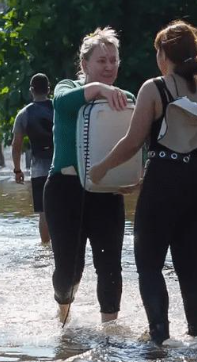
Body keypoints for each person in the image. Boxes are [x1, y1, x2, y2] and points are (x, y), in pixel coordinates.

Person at [90, 20, 197, 345]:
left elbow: (132, 142)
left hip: (165, 182)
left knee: (149, 266)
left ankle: (159, 341)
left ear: (165, 54)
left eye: (157, 52)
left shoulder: (154, 88)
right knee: (191, 266)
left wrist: (101, 168)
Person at [43, 27, 134, 324]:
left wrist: (133, 177)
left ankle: (110, 334)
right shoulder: (65, 87)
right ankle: (63, 313)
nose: (109, 67)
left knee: (110, 266)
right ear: (84, 65)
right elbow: (62, 104)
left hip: (106, 191)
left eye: (113, 61)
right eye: (101, 61)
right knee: (69, 270)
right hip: (64, 190)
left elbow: (136, 144)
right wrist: (99, 90)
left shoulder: (126, 98)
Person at [12, 73, 53, 244]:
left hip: (38, 170)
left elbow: (16, 144)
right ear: (49, 89)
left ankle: (45, 250)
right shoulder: (59, 108)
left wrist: (17, 169)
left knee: (44, 212)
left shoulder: (24, 114)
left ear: (31, 90)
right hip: (63, 166)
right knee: (66, 211)